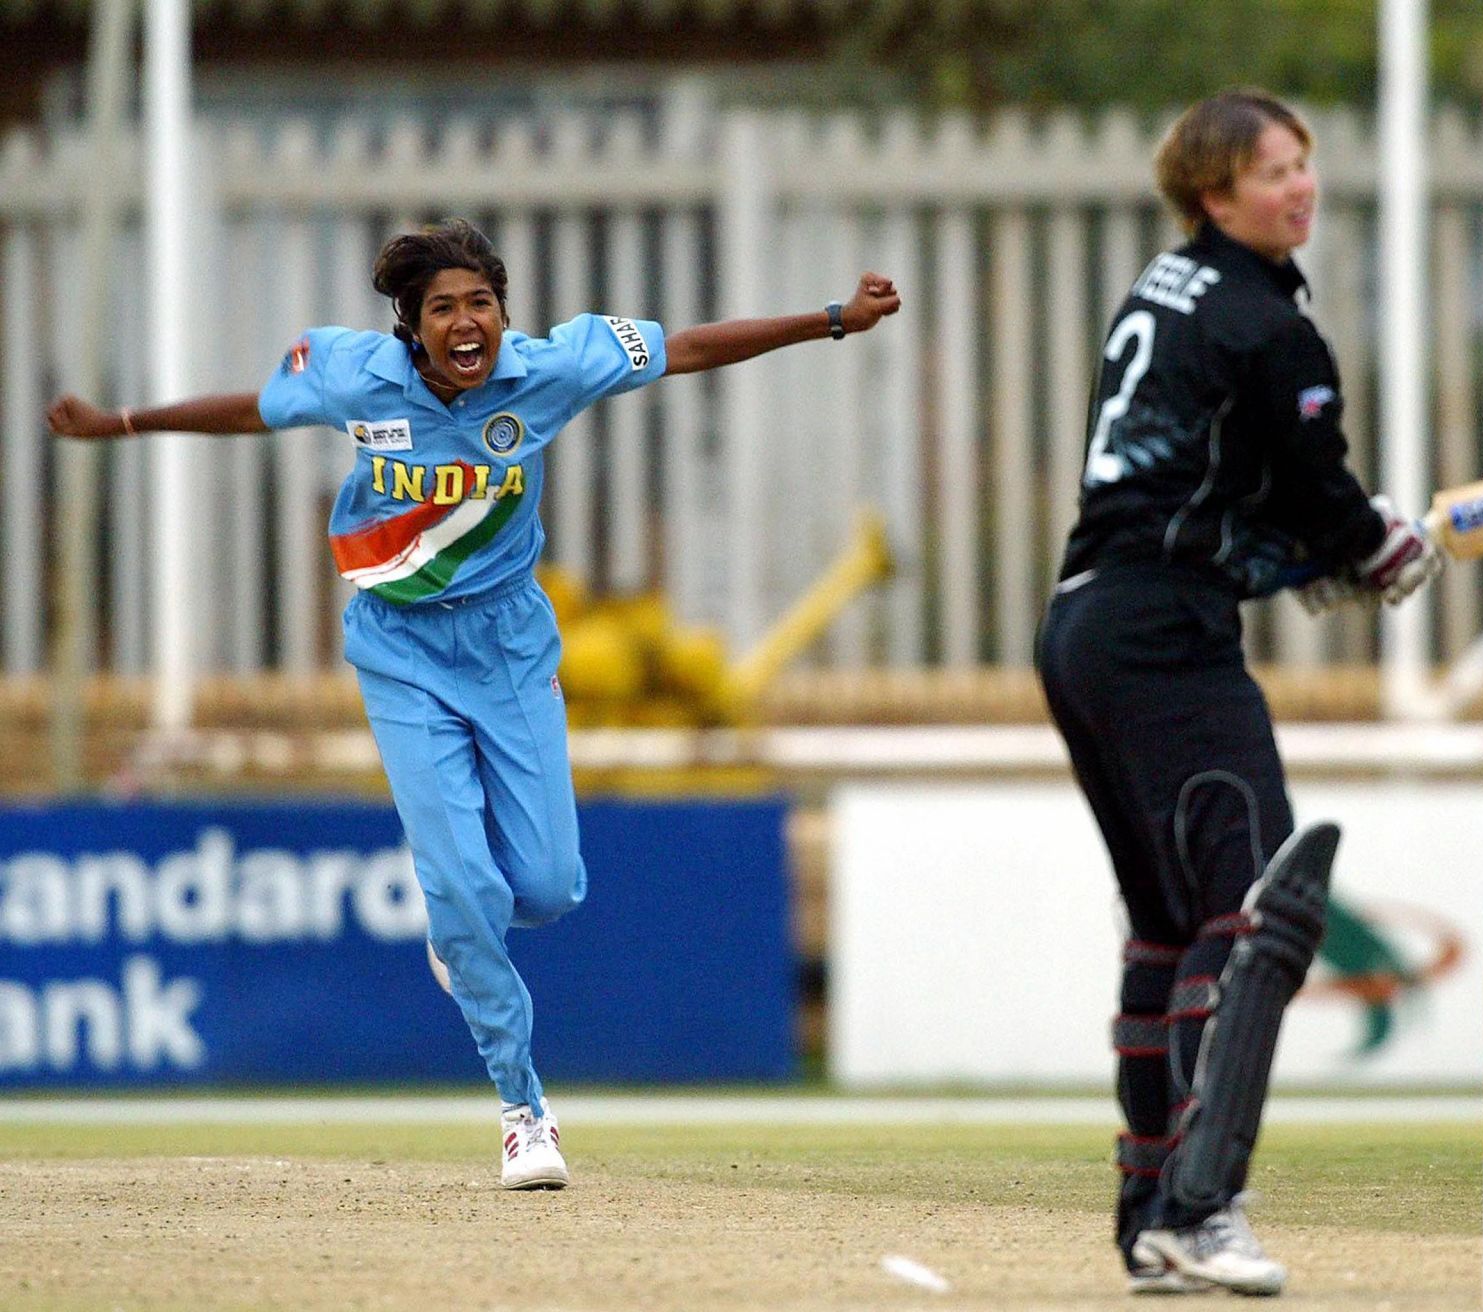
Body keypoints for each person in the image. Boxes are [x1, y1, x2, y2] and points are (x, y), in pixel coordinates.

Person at [48, 219, 900, 1190]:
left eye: (481, 303)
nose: (466, 323)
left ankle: (456, 936)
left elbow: (694, 346)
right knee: (468, 888)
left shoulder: (551, 369)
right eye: (443, 307)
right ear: (411, 326)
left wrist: (834, 319)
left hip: (508, 647)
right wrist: (120, 424)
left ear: (504, 311)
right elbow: (254, 410)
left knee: (546, 886)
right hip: (400, 648)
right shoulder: (356, 374)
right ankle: (523, 1109)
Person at [1036, 90, 1441, 1296]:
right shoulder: (1268, 324)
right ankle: (1201, 1206)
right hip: (1164, 630)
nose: (1301, 186)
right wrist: (1369, 546)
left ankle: (1150, 1215)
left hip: (1088, 619)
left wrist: (1304, 557)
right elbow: (1316, 489)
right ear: (1216, 194)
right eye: (1274, 171)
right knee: (1260, 908)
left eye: (1305, 163)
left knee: (1172, 924)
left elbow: (1214, 478)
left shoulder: (1171, 290)